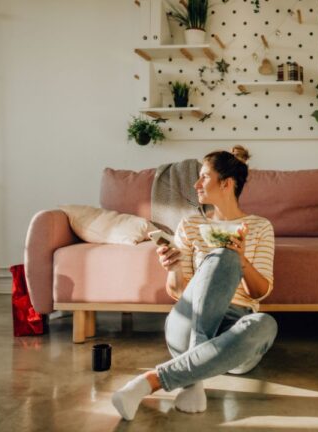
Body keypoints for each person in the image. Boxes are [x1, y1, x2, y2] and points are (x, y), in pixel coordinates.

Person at [112, 145, 278, 421]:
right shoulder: (189, 226)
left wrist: (241, 259)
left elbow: (260, 291)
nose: (195, 183)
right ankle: (191, 372)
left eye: (203, 176)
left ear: (226, 183)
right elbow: (179, 293)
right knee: (221, 257)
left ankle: (159, 380)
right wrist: (173, 268)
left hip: (234, 330)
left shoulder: (260, 227)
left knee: (265, 324)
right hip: (188, 322)